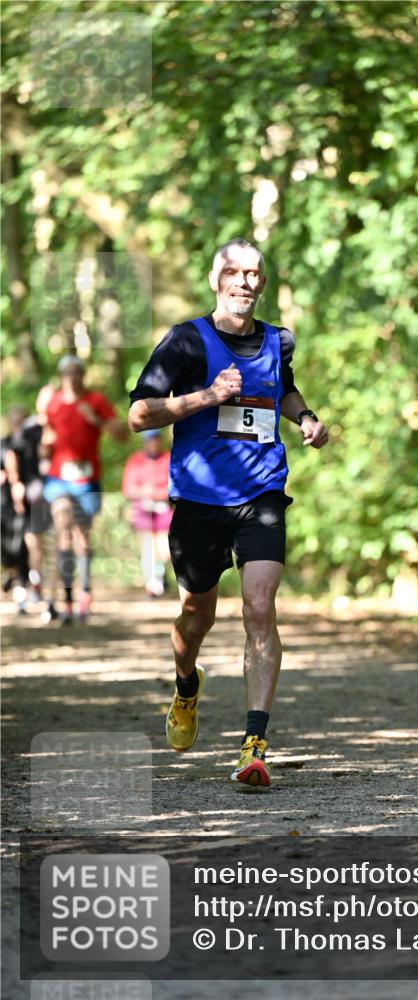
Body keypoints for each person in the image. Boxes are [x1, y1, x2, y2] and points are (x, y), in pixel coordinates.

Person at [128, 238, 328, 790]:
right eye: (235, 273)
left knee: (260, 608)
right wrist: (206, 396)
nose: (245, 282)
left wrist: (306, 417)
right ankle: (186, 685)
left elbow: (281, 391)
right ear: (216, 279)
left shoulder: (277, 341)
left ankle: (254, 744)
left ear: (262, 283)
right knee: (196, 615)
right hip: (198, 499)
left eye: (254, 274)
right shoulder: (185, 341)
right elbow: (140, 414)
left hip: (262, 493)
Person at [43, 355, 126, 622]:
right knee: (63, 531)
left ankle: (84, 594)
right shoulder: (52, 402)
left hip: (87, 480)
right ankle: (66, 600)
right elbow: (44, 444)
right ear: (61, 376)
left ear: (83, 374)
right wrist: (43, 429)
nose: (73, 377)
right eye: (67, 373)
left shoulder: (96, 401)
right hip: (58, 479)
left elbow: (122, 434)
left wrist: (97, 420)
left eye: (77, 372)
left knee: (81, 537)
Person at [2, 404, 51, 611]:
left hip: (34, 498)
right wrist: (13, 484)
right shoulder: (5, 443)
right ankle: (19, 583)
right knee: (13, 546)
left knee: (34, 540)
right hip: (7, 505)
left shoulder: (37, 438)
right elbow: (9, 463)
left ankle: (33, 583)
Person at [121, 429, 173, 597]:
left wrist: (157, 493)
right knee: (148, 548)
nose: (153, 444)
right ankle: (152, 584)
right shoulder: (135, 460)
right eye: (150, 440)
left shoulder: (167, 459)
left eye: (156, 440)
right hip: (143, 510)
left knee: (164, 549)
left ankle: (159, 574)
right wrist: (144, 492)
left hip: (163, 509)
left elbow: (173, 487)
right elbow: (128, 489)